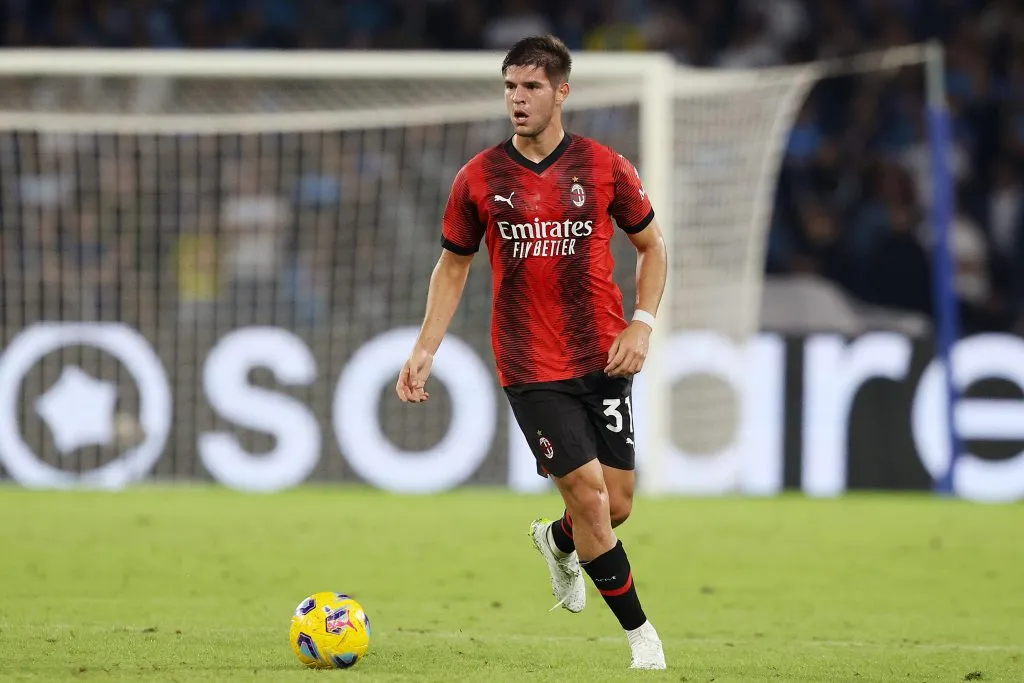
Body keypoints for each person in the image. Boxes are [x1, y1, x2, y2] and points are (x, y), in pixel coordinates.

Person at [396, 34, 668, 670]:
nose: (517, 99)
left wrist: (642, 323)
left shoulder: (605, 167)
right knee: (590, 499)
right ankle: (643, 640)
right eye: (510, 87)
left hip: (603, 357)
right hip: (530, 365)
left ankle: (557, 541)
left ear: (561, 91)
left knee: (615, 506)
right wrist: (425, 347)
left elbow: (652, 246)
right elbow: (453, 265)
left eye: (531, 87)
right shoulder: (479, 178)